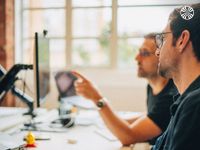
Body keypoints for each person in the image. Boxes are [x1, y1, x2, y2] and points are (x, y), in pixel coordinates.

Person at [71, 33, 177, 146]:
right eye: (139, 52)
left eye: (144, 53)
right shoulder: (152, 87)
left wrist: (96, 98)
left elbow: (128, 137)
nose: (137, 58)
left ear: (161, 57)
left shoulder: (170, 97)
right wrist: (113, 119)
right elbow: (151, 116)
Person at [152, 3, 200, 150]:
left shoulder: (194, 105)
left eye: (162, 39)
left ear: (181, 40)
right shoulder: (184, 99)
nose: (157, 52)